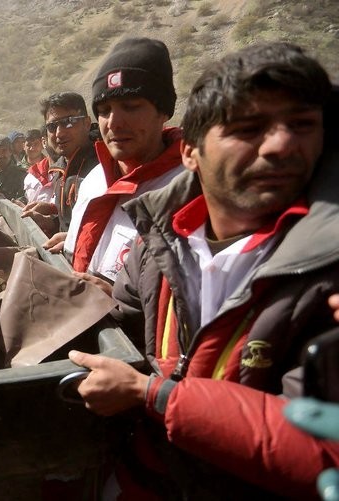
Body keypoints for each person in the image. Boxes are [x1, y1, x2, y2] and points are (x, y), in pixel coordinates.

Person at [69, 42, 339, 499]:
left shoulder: (325, 271)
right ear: (193, 152)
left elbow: (321, 447)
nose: (280, 145)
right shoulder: (154, 246)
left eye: (301, 126)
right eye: (249, 129)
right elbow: (126, 334)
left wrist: (153, 394)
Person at [62, 38, 184, 295]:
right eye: (104, 110)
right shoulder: (95, 179)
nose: (114, 122)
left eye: (130, 106)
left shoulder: (187, 193)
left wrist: (115, 300)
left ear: (163, 111)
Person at [20, 92, 98, 236]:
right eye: (52, 126)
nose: (59, 133)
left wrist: (71, 240)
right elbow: (69, 225)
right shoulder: (60, 168)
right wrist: (50, 220)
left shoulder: (103, 166)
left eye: (69, 122)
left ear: (87, 123)